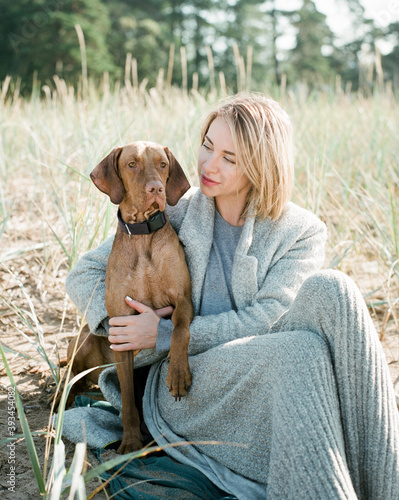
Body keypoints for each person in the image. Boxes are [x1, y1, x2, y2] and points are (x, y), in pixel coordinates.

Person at [63, 93, 399, 499]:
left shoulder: (302, 231)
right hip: (184, 385)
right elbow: (84, 272)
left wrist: (167, 332)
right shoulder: (176, 211)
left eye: (229, 157)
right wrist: (127, 326)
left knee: (337, 289)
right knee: (299, 351)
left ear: (260, 166)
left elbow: (271, 320)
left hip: (264, 371)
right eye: (207, 146)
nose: (208, 164)